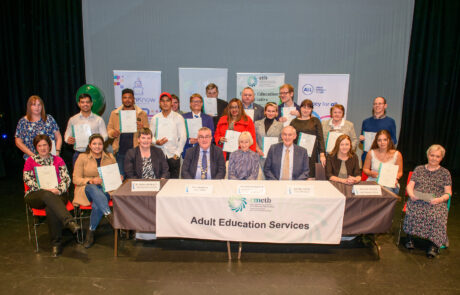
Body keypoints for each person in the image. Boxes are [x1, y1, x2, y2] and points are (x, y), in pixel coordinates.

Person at [23, 134, 80, 257]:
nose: (43, 148)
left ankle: (56, 244)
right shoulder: (30, 161)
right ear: (36, 147)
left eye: (45, 145)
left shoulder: (58, 160)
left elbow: (66, 179)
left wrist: (58, 190)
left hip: (58, 193)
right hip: (36, 194)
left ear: (50, 146)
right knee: (46, 195)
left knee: (51, 207)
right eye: (39, 146)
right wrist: (44, 189)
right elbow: (27, 179)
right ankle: (69, 221)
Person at [403, 145, 452, 258]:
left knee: (436, 215)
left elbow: (448, 192)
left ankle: (434, 244)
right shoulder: (419, 169)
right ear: (427, 155)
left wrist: (440, 199)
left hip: (436, 201)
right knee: (413, 210)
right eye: (432, 155)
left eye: (437, 156)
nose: (434, 158)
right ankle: (409, 237)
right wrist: (411, 194)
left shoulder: (445, 173)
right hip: (418, 199)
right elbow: (410, 186)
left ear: (441, 158)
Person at [73, 134, 119, 248]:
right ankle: (109, 215)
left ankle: (91, 232)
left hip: (106, 191)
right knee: (92, 188)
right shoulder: (82, 157)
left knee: (97, 205)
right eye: (94, 144)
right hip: (86, 190)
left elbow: (115, 177)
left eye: (100, 144)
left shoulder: (110, 157)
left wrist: (118, 178)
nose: (97, 146)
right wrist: (91, 181)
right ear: (89, 145)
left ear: (103, 145)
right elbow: (75, 179)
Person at [107, 88, 149, 177]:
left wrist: (142, 128)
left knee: (136, 177)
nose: (127, 100)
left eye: (130, 97)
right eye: (125, 97)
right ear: (122, 99)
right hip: (120, 151)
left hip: (136, 151)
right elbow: (109, 130)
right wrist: (113, 133)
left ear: (134, 99)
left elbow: (148, 132)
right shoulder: (114, 114)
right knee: (120, 178)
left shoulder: (142, 114)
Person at [64, 93, 108, 166]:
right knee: (78, 176)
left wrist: (97, 143)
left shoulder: (99, 119)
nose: (85, 104)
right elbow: (66, 135)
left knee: (97, 176)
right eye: (82, 102)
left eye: (87, 102)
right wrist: (68, 139)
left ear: (91, 103)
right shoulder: (73, 120)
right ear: (79, 104)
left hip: (95, 154)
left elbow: (105, 135)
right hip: (79, 153)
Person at [150, 92, 187, 178]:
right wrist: (156, 142)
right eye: (162, 101)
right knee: (160, 182)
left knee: (174, 184)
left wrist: (177, 154)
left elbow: (183, 137)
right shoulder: (155, 118)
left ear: (171, 103)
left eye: (167, 101)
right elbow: (150, 136)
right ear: (159, 103)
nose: (165, 103)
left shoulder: (178, 117)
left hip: (173, 155)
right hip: (159, 155)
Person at [290, 99, 326, 179]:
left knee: (310, 175)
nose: (306, 110)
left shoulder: (315, 121)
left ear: (311, 110)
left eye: (308, 108)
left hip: (311, 154)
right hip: (297, 153)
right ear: (300, 108)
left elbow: (320, 138)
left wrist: (322, 154)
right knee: (297, 174)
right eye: (304, 107)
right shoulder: (294, 121)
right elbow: (290, 137)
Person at [360, 96, 397, 162]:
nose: (377, 105)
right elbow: (362, 141)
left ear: (385, 106)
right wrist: (362, 139)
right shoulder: (366, 122)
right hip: (367, 156)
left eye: (380, 104)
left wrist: (384, 143)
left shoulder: (391, 121)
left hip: (383, 157)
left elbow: (394, 140)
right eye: (375, 104)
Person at [181, 93, 215, 158]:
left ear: (202, 104)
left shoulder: (208, 118)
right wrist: (189, 141)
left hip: (204, 152)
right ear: (190, 104)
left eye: (198, 101)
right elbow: (180, 135)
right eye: (194, 101)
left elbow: (212, 136)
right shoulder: (183, 117)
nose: (196, 103)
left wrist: (202, 140)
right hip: (187, 151)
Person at [254, 102, 283, 168]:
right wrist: (257, 149)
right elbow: (253, 138)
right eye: (268, 111)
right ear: (265, 112)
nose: (270, 113)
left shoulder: (280, 125)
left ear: (276, 113)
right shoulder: (257, 123)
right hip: (259, 156)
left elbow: (282, 141)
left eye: (273, 111)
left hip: (274, 157)